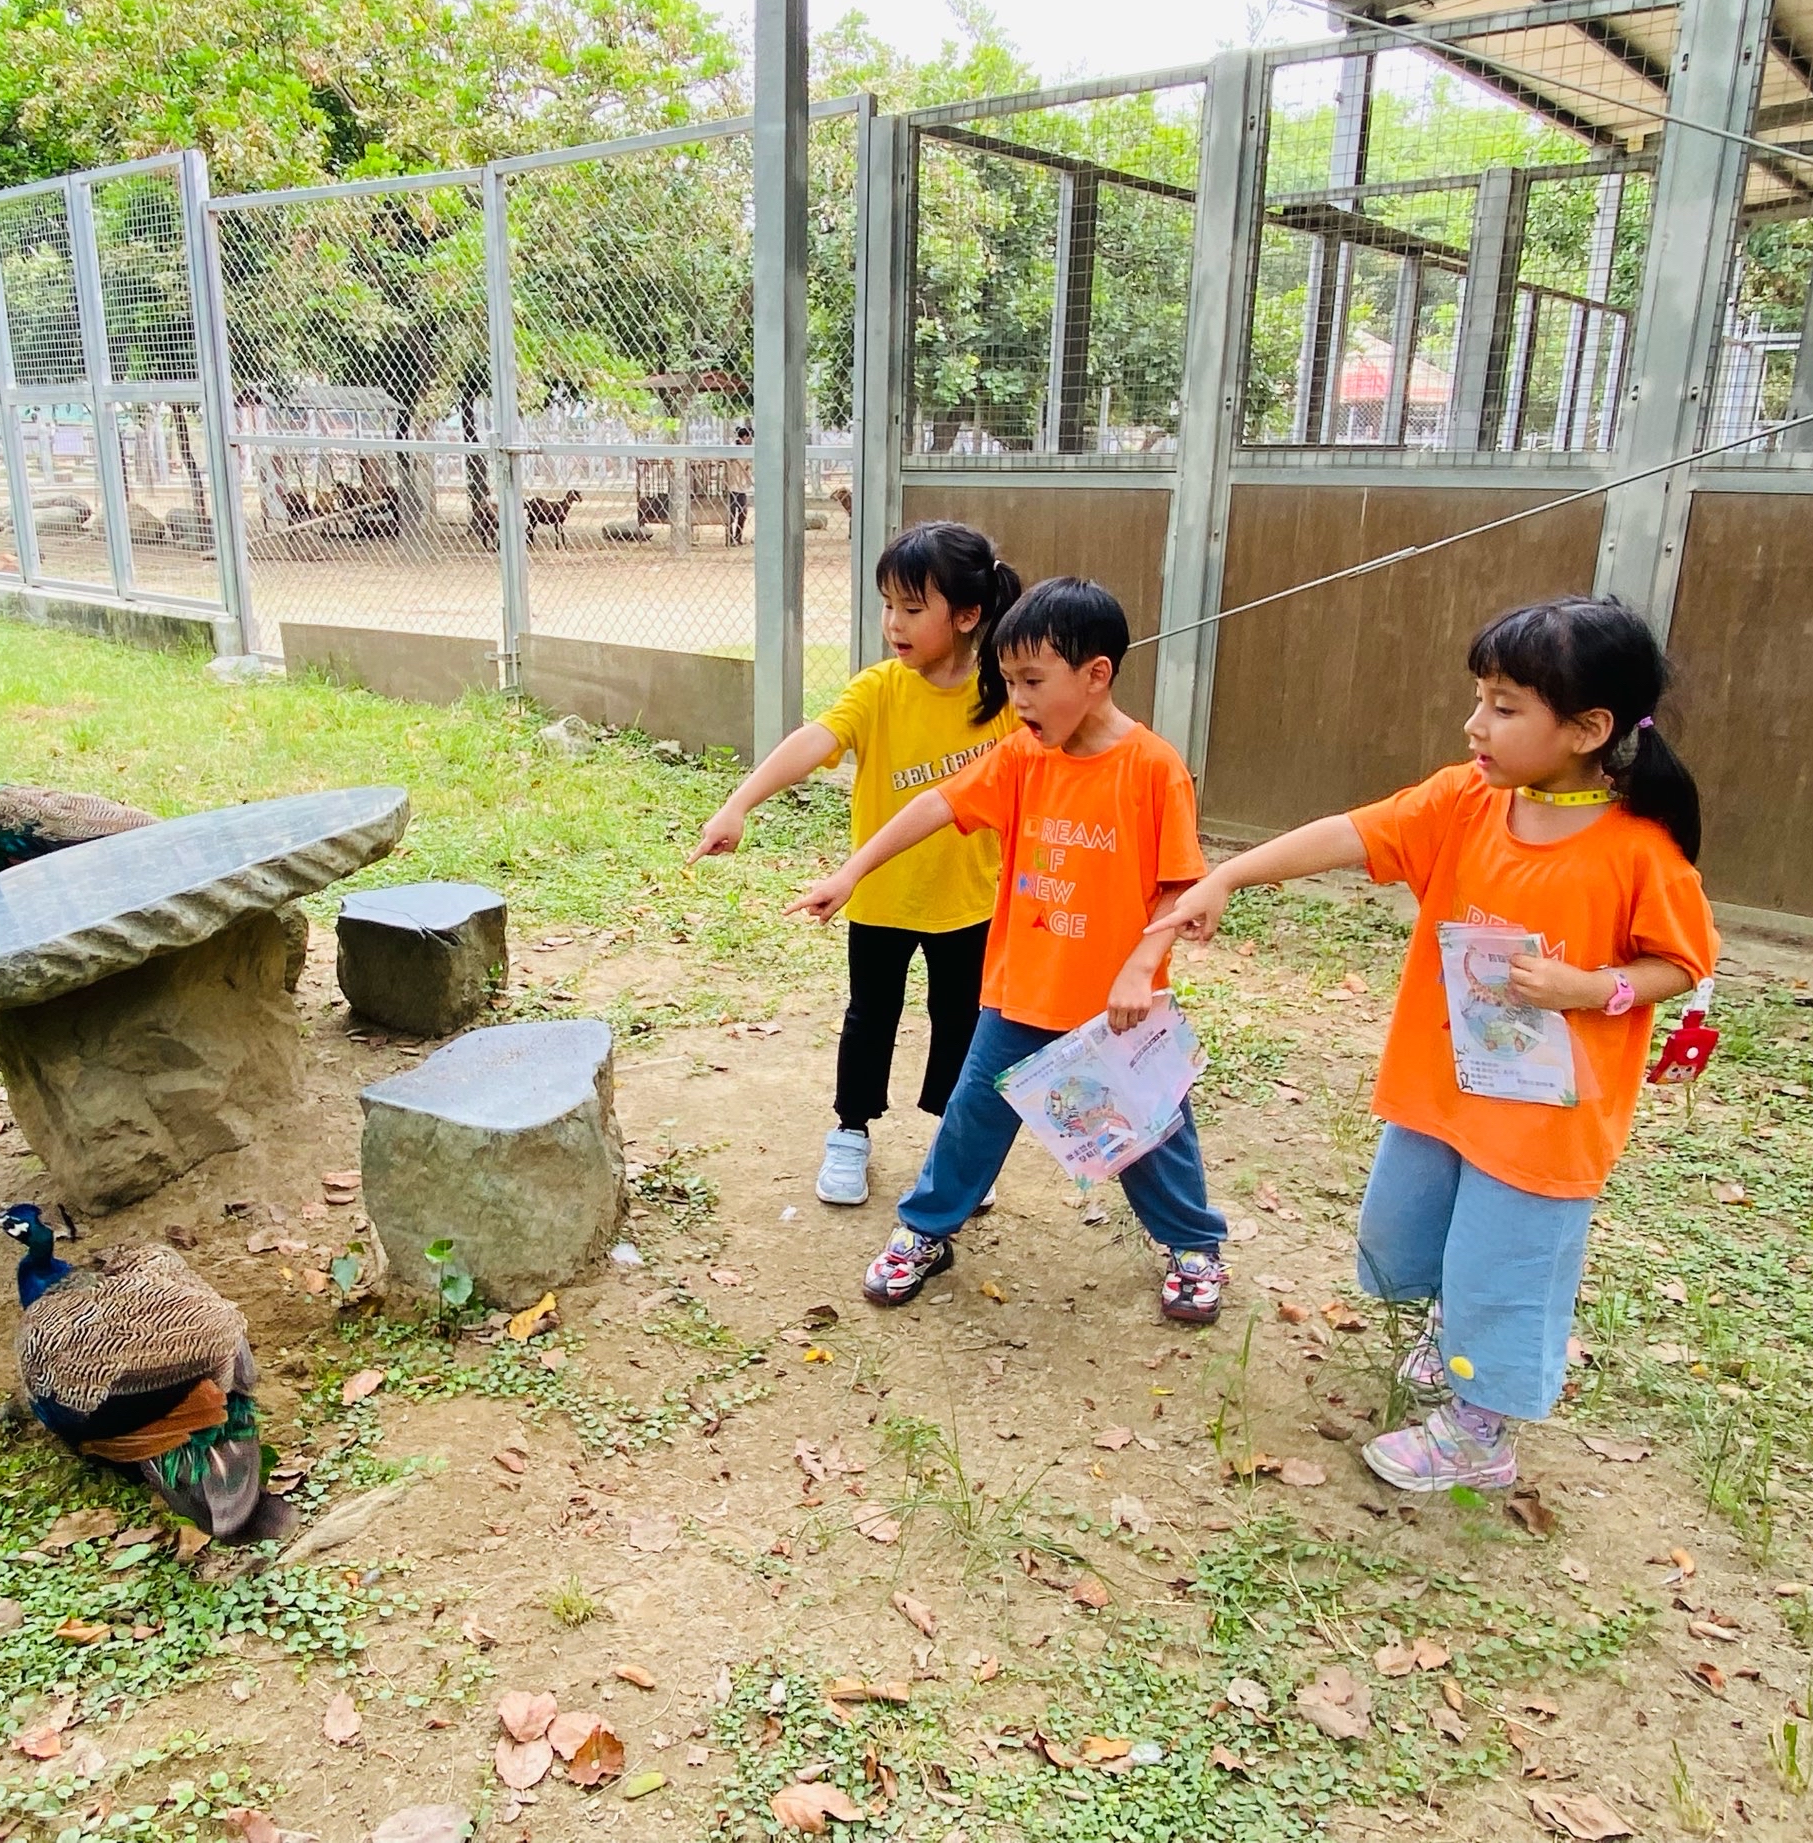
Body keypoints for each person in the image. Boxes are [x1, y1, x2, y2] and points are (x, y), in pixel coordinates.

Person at [1145, 595, 1718, 1491]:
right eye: (1479, 698)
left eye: (1504, 706)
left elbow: (1680, 964)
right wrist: (1229, 875)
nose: (1474, 724)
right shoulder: (1464, 802)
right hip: (1442, 1090)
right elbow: (1351, 833)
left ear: (1588, 728)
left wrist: (1589, 988)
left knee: (1505, 1264)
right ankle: (1454, 1335)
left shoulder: (1639, 851)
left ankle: (1480, 1432)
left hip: (1543, 1123)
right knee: (1409, 1232)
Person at [787, 577, 1229, 1323]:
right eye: (1008, 681)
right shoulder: (1023, 756)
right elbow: (938, 803)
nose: (1016, 700)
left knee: (1151, 1132)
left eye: (1031, 681)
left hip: (1117, 1009)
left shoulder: (1153, 767)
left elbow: (1179, 887)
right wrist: (852, 870)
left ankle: (1193, 1247)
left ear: (1095, 675)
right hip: (1019, 993)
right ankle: (925, 1232)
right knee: (971, 1120)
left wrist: (1137, 969)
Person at [693, 523, 1020, 1206]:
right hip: (878, 896)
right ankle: (850, 1129)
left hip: (970, 900)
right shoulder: (879, 689)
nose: (893, 623)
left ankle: (951, 1140)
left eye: (912, 608)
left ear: (967, 616)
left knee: (961, 1022)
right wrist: (738, 803)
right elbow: (815, 739)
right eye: (887, 604)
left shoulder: (1005, 700)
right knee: (870, 1015)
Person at [723, 423, 752, 545]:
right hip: (735, 485)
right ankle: (734, 537)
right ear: (745, 437)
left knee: (738, 513)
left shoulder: (741, 449)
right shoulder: (738, 448)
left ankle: (734, 537)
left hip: (738, 486)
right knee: (738, 513)